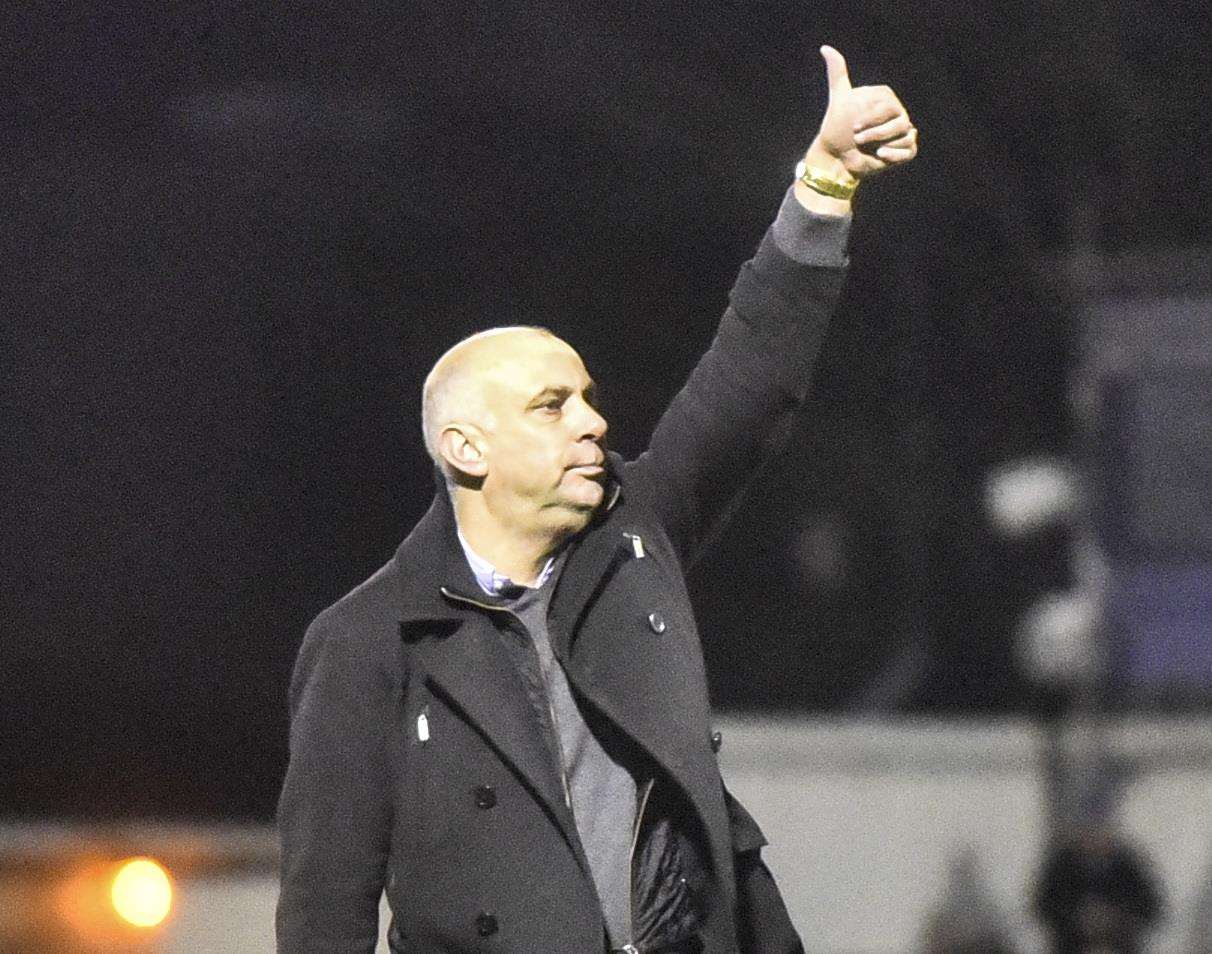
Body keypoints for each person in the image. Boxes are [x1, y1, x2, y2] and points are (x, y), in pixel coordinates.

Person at [276, 45, 917, 954]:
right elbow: (322, 911)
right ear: (465, 448)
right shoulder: (365, 642)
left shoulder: (633, 534)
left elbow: (751, 381)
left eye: (587, 396)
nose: (592, 421)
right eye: (551, 406)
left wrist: (825, 186)